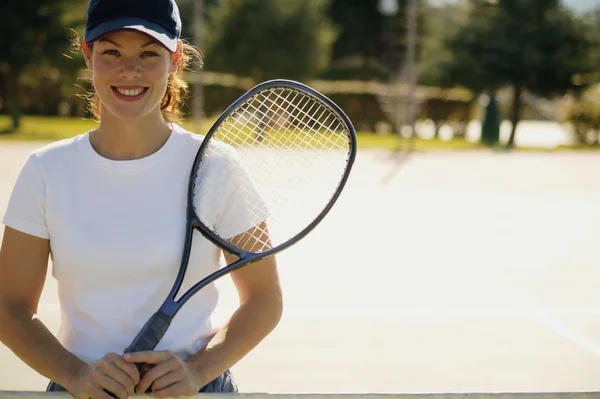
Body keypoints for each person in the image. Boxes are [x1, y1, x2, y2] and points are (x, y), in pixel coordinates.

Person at [0, 0, 283, 398]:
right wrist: (76, 375)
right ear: (87, 53)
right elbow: (9, 308)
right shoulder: (46, 171)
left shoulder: (217, 167)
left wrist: (197, 370)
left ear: (175, 59)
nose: (129, 70)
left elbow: (263, 299)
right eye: (112, 51)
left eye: (149, 53)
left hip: (196, 388)